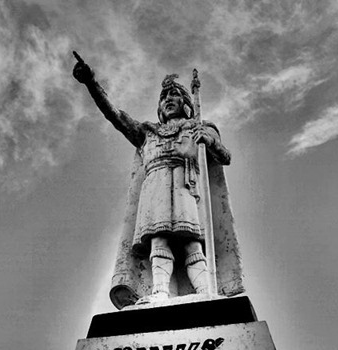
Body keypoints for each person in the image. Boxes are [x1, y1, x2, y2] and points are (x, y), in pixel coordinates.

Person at [73, 53, 243, 308]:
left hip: (186, 187)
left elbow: (224, 156)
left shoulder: (198, 127)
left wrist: (209, 140)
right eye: (163, 98)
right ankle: (160, 292)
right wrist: (91, 84)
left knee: (190, 241)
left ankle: (205, 289)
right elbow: (115, 116)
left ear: (186, 103)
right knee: (158, 240)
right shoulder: (147, 132)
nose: (167, 100)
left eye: (174, 96)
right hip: (155, 188)